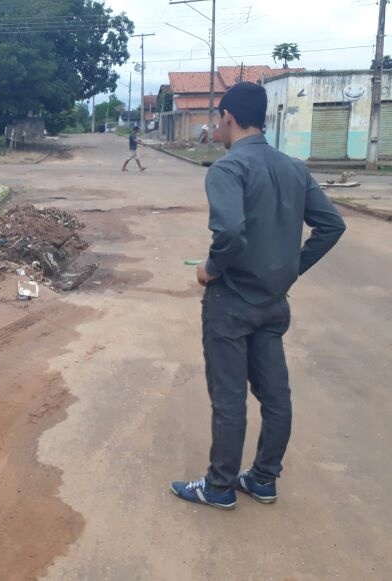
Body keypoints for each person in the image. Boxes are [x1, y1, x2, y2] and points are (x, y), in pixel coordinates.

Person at [170, 82, 346, 509]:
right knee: (276, 396)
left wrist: (209, 269)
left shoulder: (228, 169)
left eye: (218, 118)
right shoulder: (294, 168)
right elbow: (332, 225)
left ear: (228, 116)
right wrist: (290, 268)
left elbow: (229, 233)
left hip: (230, 304)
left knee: (229, 399)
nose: (217, 124)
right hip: (272, 302)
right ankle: (264, 479)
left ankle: (219, 488)